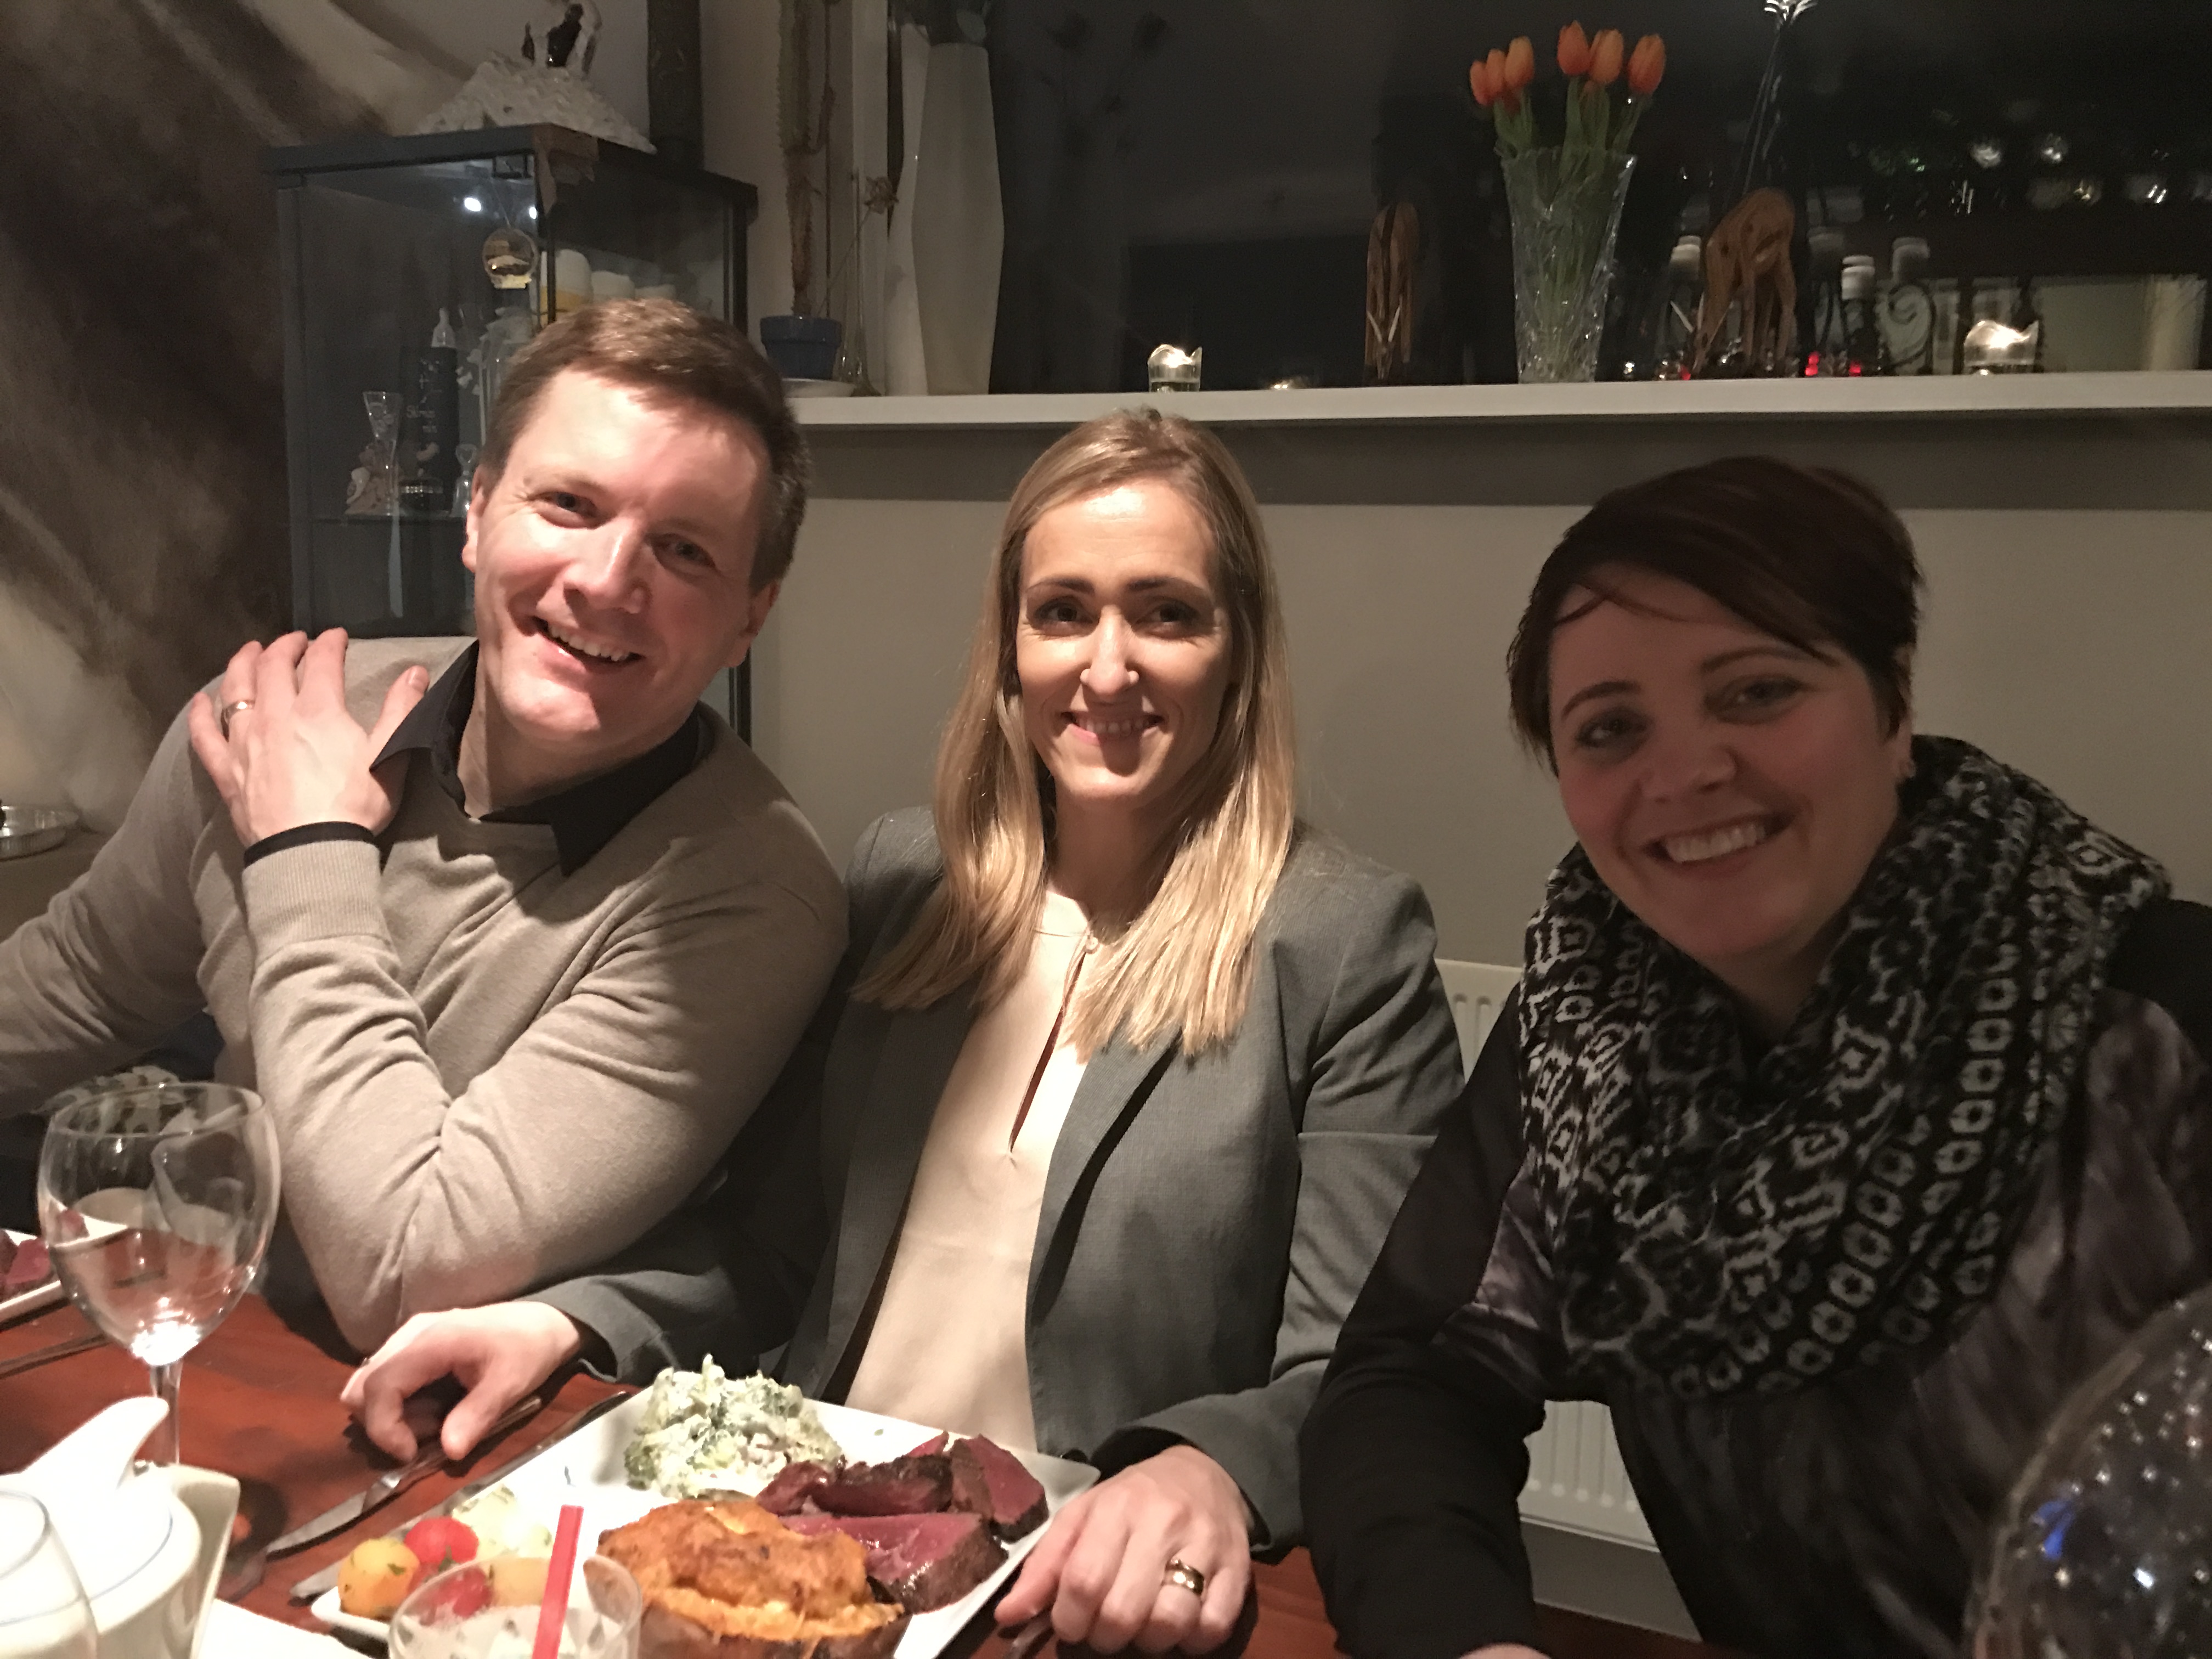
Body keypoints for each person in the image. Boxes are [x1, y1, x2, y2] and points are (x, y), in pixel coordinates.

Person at [343, 409, 1466, 1655]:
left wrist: (1211, 1466)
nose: (1106, 668)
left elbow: (1371, 1370)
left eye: (1166, 614)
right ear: (1010, 649)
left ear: (1238, 649)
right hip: (806, 1561)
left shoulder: (1346, 943)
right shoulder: (900, 881)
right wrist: (567, 1321)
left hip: (1070, 1600)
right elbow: (773, 1250)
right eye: (1063, 612)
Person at [1301, 455, 2212, 1659]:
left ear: (1893, 703)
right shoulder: (1581, 1037)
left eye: (1757, 692)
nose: (1685, 773)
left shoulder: (2156, 1021)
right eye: (1611, 729)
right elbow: (1409, 1382)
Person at [0, 300, 846, 1355]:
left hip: (470, 1423)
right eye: (569, 505)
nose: (605, 581)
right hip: (201, 1338)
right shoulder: (283, 720)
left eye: (683, 550)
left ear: (750, 617)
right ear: (477, 512)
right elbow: (80, 982)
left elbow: (404, 1269)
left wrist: (308, 853)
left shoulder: (753, 894)